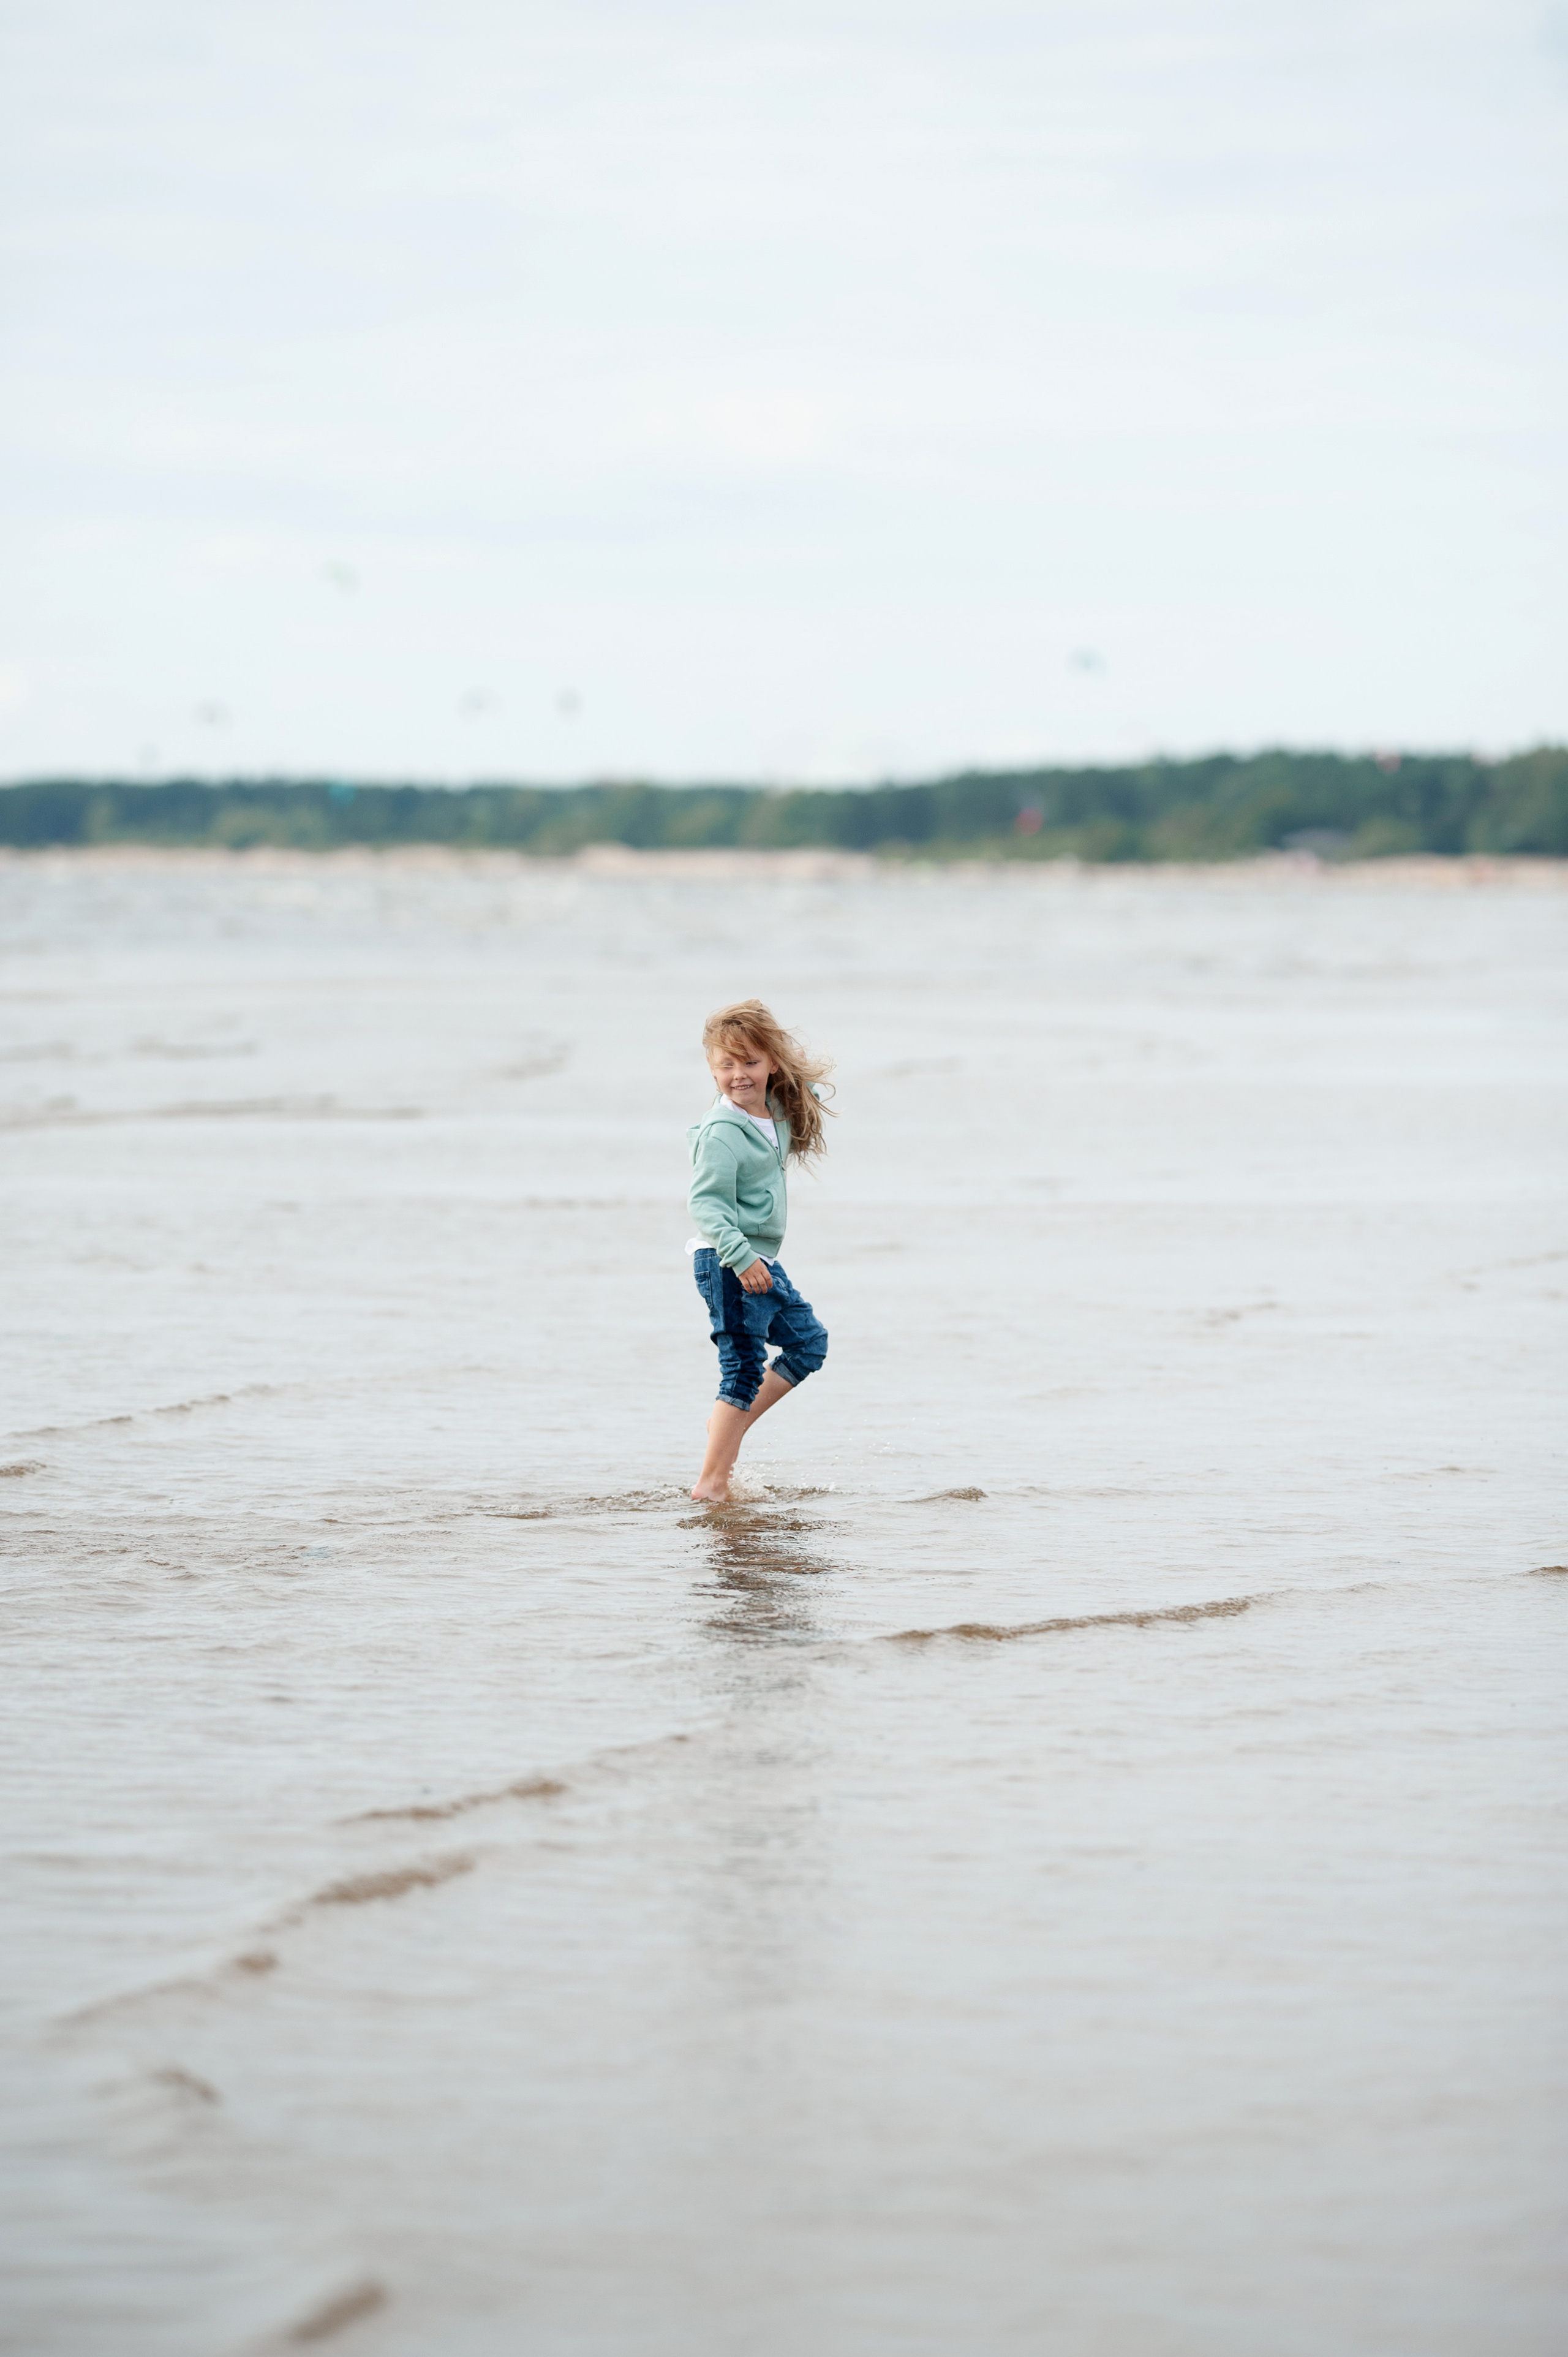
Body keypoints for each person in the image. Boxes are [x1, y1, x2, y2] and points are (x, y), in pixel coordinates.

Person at [686, 999, 833, 1502]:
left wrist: (786, 1069)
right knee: (744, 1368)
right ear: (711, 1069)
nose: (739, 1075)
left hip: (759, 1258)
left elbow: (803, 1089)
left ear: (772, 1061)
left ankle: (728, 1424)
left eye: (750, 1061)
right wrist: (741, 1256)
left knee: (808, 1343)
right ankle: (711, 1483)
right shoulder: (722, 1132)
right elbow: (706, 1205)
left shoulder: (773, 1109)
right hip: (729, 1259)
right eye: (726, 1065)